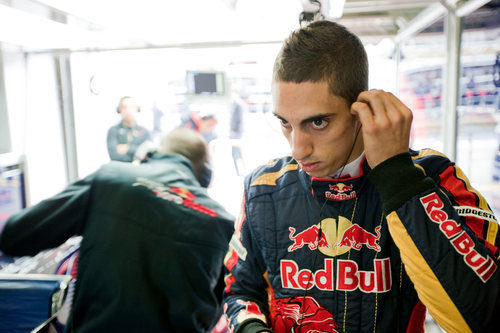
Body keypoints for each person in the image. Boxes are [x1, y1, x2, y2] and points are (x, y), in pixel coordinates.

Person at [223, 20, 500, 333]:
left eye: (317, 123)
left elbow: (482, 317)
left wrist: (397, 176)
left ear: (361, 110)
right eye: (286, 123)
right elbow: (239, 291)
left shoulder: (435, 177)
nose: (298, 149)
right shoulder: (263, 188)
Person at [0, 128, 234, 332]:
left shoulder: (111, 178)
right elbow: (221, 308)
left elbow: (16, 236)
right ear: (205, 176)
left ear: (150, 154)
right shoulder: (224, 223)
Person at [107, 96, 151, 162]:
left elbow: (148, 154)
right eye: (125, 107)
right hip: (120, 169)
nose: (128, 111)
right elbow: (114, 156)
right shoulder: (113, 130)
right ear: (119, 110)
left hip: (140, 170)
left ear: (137, 109)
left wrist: (128, 148)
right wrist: (138, 152)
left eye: (131, 107)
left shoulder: (144, 131)